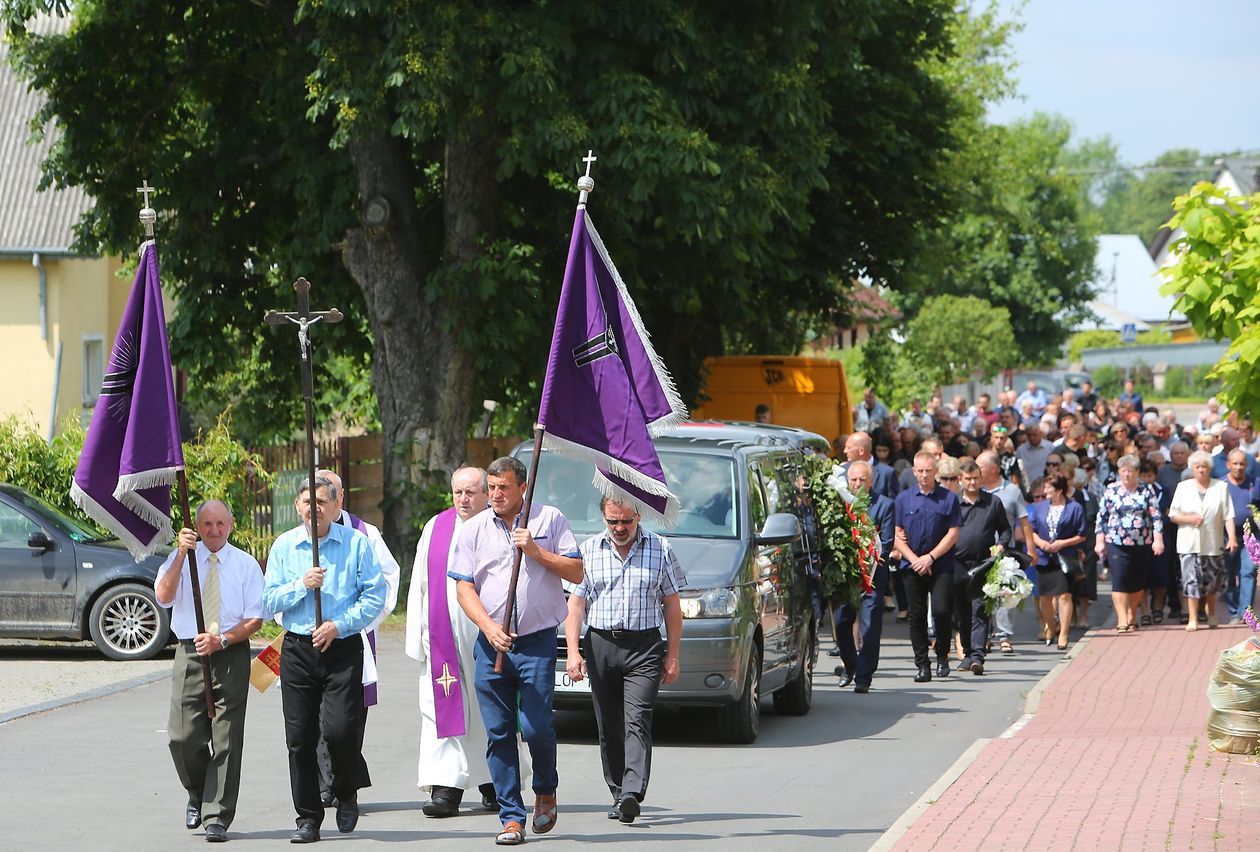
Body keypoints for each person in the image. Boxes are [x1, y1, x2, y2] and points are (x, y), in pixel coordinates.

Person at [450, 456, 584, 846]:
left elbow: (577, 573)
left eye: (503, 487)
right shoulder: (473, 529)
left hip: (536, 642)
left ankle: (545, 788)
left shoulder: (549, 520)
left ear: (523, 488)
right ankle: (511, 816)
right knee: (499, 731)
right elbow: (463, 587)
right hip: (492, 643)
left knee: (537, 725)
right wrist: (489, 627)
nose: (495, 494)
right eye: (491, 487)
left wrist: (537, 551)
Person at [263, 475, 386, 843]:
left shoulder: (356, 544)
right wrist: (302, 585)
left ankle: (346, 789)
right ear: (297, 506)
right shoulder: (285, 546)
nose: (313, 508)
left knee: (340, 731)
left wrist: (339, 624)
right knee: (299, 738)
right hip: (299, 649)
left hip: (341, 646)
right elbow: (268, 602)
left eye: (321, 501)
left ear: (335, 506)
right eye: (306, 501)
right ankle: (307, 817)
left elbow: (374, 596)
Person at [564, 496, 685, 823]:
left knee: (637, 718)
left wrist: (673, 655)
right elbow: (575, 606)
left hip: (644, 646)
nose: (619, 528)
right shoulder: (588, 551)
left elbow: (672, 605)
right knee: (609, 723)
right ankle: (618, 791)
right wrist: (573, 652)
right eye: (612, 521)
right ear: (603, 517)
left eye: (626, 522)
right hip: (601, 643)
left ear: (639, 516)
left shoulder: (660, 549)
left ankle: (632, 791)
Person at [154, 500, 265, 843]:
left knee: (227, 736)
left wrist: (224, 640)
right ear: (196, 528)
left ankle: (216, 814)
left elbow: (254, 619)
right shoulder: (182, 561)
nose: (214, 531)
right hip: (190, 651)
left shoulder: (245, 565)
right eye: (206, 525)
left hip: (229, 652)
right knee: (182, 735)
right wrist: (178, 556)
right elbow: (163, 596)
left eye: (220, 524)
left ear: (231, 523)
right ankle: (198, 790)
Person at [404, 467, 503, 817]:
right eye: (458, 492)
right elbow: (419, 583)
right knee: (440, 709)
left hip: (487, 636)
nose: (463, 499)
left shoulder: (499, 526)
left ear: (486, 494)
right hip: (442, 638)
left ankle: (495, 784)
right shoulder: (436, 527)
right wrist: (417, 635)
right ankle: (446, 788)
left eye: (471, 493)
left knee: (490, 708)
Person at [312, 469, 400, 809]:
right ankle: (324, 783)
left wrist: (362, 622)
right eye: (315, 498)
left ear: (340, 499)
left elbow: (387, 581)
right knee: (315, 716)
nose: (320, 505)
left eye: (327, 496)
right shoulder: (302, 534)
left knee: (347, 716)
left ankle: (343, 775)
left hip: (354, 636)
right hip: (312, 638)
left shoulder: (365, 533)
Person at [894, 450, 961, 682]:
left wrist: (930, 558)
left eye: (928, 471)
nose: (924, 475)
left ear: (936, 472)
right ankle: (922, 664)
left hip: (940, 564)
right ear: (914, 472)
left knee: (942, 611)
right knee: (917, 616)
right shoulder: (903, 499)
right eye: (920, 471)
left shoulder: (948, 498)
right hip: (912, 566)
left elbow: (953, 534)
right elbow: (896, 535)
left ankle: (942, 655)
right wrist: (915, 560)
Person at [833, 460, 896, 693]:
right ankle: (851, 664)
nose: (857, 484)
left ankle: (864, 677)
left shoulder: (885, 505)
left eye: (862, 480)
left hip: (873, 577)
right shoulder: (841, 503)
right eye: (853, 479)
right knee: (841, 623)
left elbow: (887, 542)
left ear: (871, 481)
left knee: (870, 629)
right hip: (847, 577)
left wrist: (869, 560)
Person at [951, 460, 1011, 674]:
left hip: (983, 564)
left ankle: (977, 655)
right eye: (968, 479)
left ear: (981, 478)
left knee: (980, 610)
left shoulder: (993, 502)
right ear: (960, 479)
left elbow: (1005, 529)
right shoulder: (953, 503)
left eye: (976, 478)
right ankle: (966, 653)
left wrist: (1001, 545)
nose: (972, 482)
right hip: (957, 564)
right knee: (961, 611)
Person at [1168, 450, 1237, 631]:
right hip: (1188, 542)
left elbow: (1228, 515)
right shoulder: (1183, 487)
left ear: (1209, 468)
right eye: (1198, 467)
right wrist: (1189, 519)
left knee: (1212, 581)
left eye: (1204, 467)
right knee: (1190, 581)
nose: (1201, 470)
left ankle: (1211, 613)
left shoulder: (1220, 487)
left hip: (1213, 542)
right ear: (1192, 468)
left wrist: (1232, 538)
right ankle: (1193, 618)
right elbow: (1173, 514)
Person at [1094, 455, 1164, 633]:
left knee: (1137, 582)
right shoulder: (1111, 490)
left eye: (1130, 471)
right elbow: (1101, 517)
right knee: (1119, 579)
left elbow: (1156, 517)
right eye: (1123, 470)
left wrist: (1158, 540)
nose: (1126, 474)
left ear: (1137, 472)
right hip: (1116, 541)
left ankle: (1132, 613)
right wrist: (1100, 541)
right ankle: (1122, 619)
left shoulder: (1146, 490)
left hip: (1141, 542)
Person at [978, 451, 1036, 656]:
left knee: (1005, 593)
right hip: (979, 551)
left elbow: (1024, 522)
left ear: (994, 469)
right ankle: (984, 635)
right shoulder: (974, 489)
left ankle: (1004, 636)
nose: (977, 472)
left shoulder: (1012, 491)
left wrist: (1030, 548)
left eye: (981, 468)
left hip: (1005, 550)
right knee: (982, 594)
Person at [1028, 476, 1086, 650]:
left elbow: (1082, 534)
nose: (1045, 492)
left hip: (1065, 557)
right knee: (1044, 599)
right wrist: (1041, 544)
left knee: (1064, 595)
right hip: (1044, 558)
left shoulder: (1074, 508)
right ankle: (1051, 626)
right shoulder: (1039, 508)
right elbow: (1031, 531)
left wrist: (1063, 543)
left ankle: (1064, 633)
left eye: (1048, 488)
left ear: (1059, 490)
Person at [1223, 450, 1256, 622]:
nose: (1238, 467)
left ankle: (1244, 611)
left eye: (1242, 463)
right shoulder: (1220, 485)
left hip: (1251, 535)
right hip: (1226, 536)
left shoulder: (1255, 483)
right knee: (1227, 574)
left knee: (1249, 571)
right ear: (1227, 464)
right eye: (1235, 463)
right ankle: (1233, 608)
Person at [843, 431, 898, 501]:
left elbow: (893, 504)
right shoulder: (843, 471)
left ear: (861, 451)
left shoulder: (886, 473)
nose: (845, 451)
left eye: (849, 447)